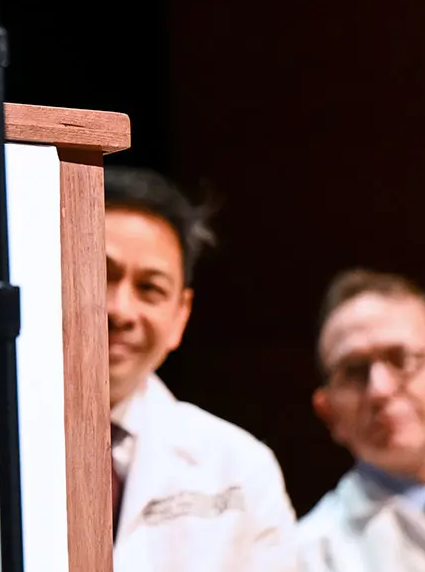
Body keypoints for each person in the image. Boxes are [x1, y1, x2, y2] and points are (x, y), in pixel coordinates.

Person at [102, 167, 296, 571]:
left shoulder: (241, 467)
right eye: (101, 276)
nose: (120, 310)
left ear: (180, 316)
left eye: (149, 288)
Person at [298, 269, 425, 571]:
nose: (379, 389)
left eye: (401, 359)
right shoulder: (307, 554)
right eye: (353, 371)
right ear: (329, 414)